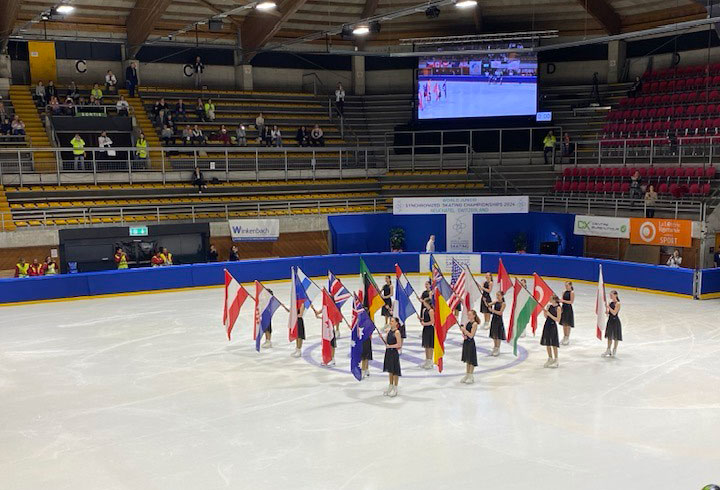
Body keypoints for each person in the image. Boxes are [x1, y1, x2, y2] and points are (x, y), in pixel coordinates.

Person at [381, 317, 403, 397]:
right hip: (388, 353)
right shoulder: (389, 331)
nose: (390, 322)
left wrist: (390, 346)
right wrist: (383, 337)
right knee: (390, 370)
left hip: (394, 352)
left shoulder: (397, 332)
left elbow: (399, 344)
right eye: (390, 321)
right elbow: (387, 342)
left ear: (396, 323)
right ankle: (390, 385)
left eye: (392, 321)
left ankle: (395, 387)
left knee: (395, 371)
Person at [541, 295, 562, 368]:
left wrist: (549, 314)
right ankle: (550, 358)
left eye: (550, 298)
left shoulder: (558, 308)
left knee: (553, 343)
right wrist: (545, 312)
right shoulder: (549, 306)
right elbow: (546, 317)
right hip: (547, 324)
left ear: (554, 300)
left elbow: (558, 320)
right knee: (547, 343)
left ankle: (556, 359)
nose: (549, 299)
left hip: (553, 325)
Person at [459, 309, 479, 384]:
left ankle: (471, 375)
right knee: (467, 359)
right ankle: (467, 374)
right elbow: (466, 334)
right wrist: (464, 333)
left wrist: (464, 330)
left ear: (474, 315)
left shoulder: (475, 324)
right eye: (468, 315)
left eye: (470, 315)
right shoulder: (468, 322)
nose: (468, 316)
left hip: (471, 343)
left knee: (471, 360)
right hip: (466, 342)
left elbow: (471, 335)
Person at [485, 291, 506, 356]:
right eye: (497, 295)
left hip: (499, 320)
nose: (497, 296)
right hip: (494, 319)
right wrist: (485, 301)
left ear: (502, 296)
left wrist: (492, 311)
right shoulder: (496, 301)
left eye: (498, 295)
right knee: (494, 333)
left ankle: (498, 348)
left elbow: (500, 313)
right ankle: (495, 347)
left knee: (498, 334)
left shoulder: (503, 303)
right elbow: (488, 305)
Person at [603, 290, 622, 357]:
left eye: (611, 295)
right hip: (610, 320)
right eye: (610, 295)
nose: (610, 296)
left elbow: (614, 313)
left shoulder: (618, 303)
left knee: (616, 337)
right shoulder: (611, 302)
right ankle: (608, 349)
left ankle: (614, 349)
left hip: (615, 321)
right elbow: (609, 312)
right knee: (609, 336)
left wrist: (608, 307)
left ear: (615, 295)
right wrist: (607, 311)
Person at [420, 295, 434, 369]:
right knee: (426, 345)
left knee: (430, 345)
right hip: (425, 329)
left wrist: (424, 323)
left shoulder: (431, 311)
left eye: (424, 302)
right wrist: (421, 319)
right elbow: (424, 318)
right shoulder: (424, 310)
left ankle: (430, 360)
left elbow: (432, 321)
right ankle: (427, 360)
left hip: (430, 329)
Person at [559, 281, 574, 346]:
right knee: (564, 323)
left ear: (570, 285)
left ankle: (567, 337)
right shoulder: (564, 291)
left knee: (568, 323)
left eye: (567, 285)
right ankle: (564, 336)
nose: (566, 287)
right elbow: (562, 300)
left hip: (568, 308)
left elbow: (571, 302)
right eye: (565, 285)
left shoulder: (572, 292)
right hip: (564, 308)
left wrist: (563, 301)